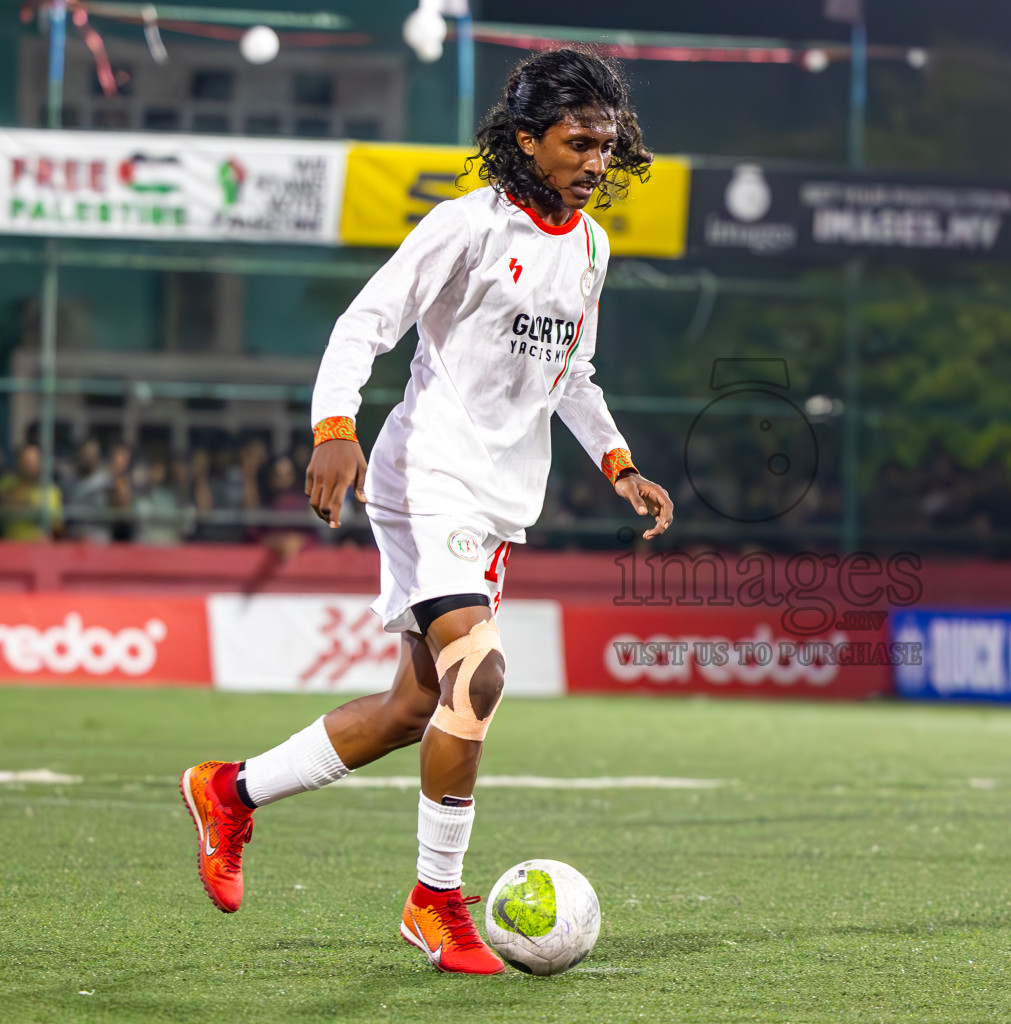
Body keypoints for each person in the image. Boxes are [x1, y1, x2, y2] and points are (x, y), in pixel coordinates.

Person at [178, 49, 673, 975]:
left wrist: (619, 462)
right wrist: (335, 427)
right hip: (425, 476)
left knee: (417, 705)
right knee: (477, 678)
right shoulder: (469, 226)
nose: (597, 160)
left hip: (497, 502)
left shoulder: (593, 248)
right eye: (578, 142)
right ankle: (433, 902)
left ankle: (231, 790)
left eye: (608, 144)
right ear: (528, 141)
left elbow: (573, 374)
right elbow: (363, 323)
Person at [0, 443, 63, 541]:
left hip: (38, 548)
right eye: (26, 461)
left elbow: (57, 526)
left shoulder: (50, 491)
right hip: (10, 545)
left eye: (33, 461)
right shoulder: (7, 484)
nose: (29, 465)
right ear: (19, 462)